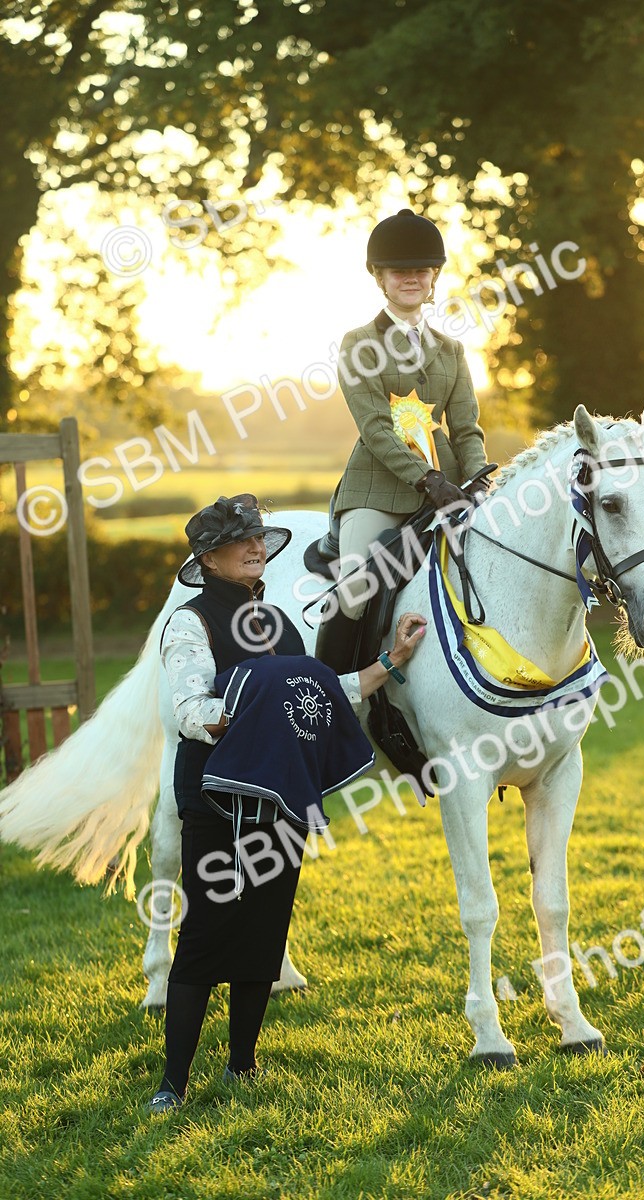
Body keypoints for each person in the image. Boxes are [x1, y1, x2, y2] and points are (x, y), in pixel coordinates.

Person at [148, 493, 425, 1113]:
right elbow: (193, 713)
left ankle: (241, 1067)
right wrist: (263, 711)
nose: (255, 547)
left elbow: (321, 693)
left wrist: (391, 661)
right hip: (215, 798)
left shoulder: (278, 621)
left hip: (282, 796)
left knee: (263, 931)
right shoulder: (189, 622)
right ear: (209, 560)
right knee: (204, 933)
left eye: (257, 538)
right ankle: (172, 1084)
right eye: (239, 541)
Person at [316, 208, 494, 671]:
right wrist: (427, 479)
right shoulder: (359, 344)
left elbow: (466, 428)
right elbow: (375, 428)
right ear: (380, 277)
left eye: (420, 270)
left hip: (450, 490)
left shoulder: (452, 350)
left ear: (434, 277)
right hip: (380, 491)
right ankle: (336, 692)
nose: (411, 278)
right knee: (355, 589)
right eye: (399, 271)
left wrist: (478, 479)